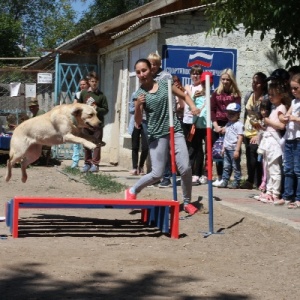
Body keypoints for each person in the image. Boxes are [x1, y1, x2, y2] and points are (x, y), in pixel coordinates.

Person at [125, 58, 200, 215]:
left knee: (185, 167)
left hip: (175, 129)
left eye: (144, 70)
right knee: (157, 173)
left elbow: (185, 96)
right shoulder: (139, 94)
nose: (141, 74)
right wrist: (138, 105)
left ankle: (187, 202)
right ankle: (132, 190)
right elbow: (138, 122)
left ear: (151, 70)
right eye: (138, 72)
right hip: (156, 133)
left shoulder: (165, 85)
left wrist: (193, 106)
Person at [255, 82, 289, 203]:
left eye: (273, 94)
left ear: (281, 95)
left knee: (275, 168)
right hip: (268, 140)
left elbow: (281, 125)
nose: (270, 97)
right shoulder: (273, 108)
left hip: (274, 141)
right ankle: (268, 191)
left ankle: (275, 193)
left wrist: (268, 121)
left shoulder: (281, 108)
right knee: (268, 168)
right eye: (269, 94)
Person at [210, 69, 242, 187]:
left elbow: (236, 111)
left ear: (232, 80)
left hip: (230, 125)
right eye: (223, 79)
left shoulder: (236, 94)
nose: (225, 81)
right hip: (217, 124)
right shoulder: (216, 93)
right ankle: (220, 177)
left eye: (227, 79)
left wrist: (227, 127)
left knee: (231, 155)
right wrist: (216, 126)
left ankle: (233, 179)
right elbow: (212, 110)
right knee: (219, 152)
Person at [147, 52, 173, 187]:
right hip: (150, 117)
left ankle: (166, 176)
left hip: (163, 117)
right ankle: (154, 176)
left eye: (155, 64)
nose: (153, 67)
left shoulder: (165, 76)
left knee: (163, 149)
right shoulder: (146, 76)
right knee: (152, 148)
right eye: (151, 64)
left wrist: (171, 114)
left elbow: (171, 96)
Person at [240, 72, 268, 190]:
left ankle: (258, 180)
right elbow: (246, 114)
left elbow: (264, 117)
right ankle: (250, 179)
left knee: (256, 157)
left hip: (258, 132)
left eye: (257, 82)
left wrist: (259, 134)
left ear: (263, 84)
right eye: (253, 82)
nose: (254, 84)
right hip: (248, 130)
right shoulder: (249, 96)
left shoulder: (265, 98)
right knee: (248, 156)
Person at [77, 72, 109, 173]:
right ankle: (87, 163)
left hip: (97, 124)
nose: (94, 83)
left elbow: (106, 110)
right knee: (86, 144)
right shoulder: (84, 93)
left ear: (98, 82)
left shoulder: (101, 96)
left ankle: (95, 164)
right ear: (89, 82)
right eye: (92, 81)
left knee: (96, 144)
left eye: (95, 81)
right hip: (86, 124)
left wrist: (97, 109)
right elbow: (79, 106)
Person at [276, 73, 300, 208]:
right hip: (290, 138)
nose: (293, 91)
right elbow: (287, 115)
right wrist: (283, 117)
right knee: (288, 168)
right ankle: (287, 196)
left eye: (296, 88)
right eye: (292, 88)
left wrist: (295, 119)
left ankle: (298, 198)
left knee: (298, 170)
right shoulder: (294, 102)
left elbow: (295, 118)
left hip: (298, 139)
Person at [183, 65, 204, 185]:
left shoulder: (201, 88)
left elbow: (200, 104)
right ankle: (189, 173)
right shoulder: (188, 87)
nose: (195, 76)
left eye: (197, 73)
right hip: (186, 120)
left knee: (197, 147)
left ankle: (197, 173)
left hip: (196, 121)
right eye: (193, 73)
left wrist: (188, 91)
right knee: (189, 147)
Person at [217, 103, 244, 189]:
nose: (230, 115)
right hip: (227, 148)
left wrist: (237, 150)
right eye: (229, 113)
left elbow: (240, 138)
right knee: (226, 166)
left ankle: (236, 182)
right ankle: (225, 181)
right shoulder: (228, 124)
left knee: (235, 166)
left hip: (234, 149)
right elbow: (226, 136)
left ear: (238, 114)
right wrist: (223, 147)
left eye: (233, 113)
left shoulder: (239, 125)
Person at [128, 91, 148, 175]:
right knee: (135, 146)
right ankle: (134, 167)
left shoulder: (149, 95)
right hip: (136, 122)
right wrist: (138, 105)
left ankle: (141, 165)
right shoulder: (135, 94)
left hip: (146, 122)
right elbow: (130, 109)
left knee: (145, 147)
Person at [71, 78, 89, 168]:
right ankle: (75, 162)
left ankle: (89, 162)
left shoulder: (90, 95)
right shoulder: (78, 94)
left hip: (88, 121)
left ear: (87, 85)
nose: (82, 86)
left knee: (88, 140)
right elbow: (74, 105)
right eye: (81, 84)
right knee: (76, 141)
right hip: (79, 121)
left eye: (84, 84)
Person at [28, 98, 50, 165]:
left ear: (37, 106)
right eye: (30, 107)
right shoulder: (34, 115)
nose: (31, 108)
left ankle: (35, 160)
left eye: (33, 106)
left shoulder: (40, 113)